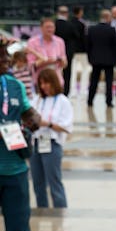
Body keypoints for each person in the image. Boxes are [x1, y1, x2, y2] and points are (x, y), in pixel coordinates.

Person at [0, 41, 39, 231]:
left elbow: (28, 111)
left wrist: (34, 119)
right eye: (1, 58)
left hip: (15, 171)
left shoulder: (14, 85)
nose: (6, 61)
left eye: (7, 57)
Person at [30, 66, 73, 208]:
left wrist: (47, 124)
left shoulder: (62, 101)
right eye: (41, 83)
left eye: (46, 83)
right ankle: (42, 210)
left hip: (52, 143)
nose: (44, 87)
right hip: (36, 142)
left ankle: (60, 212)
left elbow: (66, 127)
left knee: (54, 182)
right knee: (37, 183)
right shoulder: (37, 100)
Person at [85, 9, 116, 114]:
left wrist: (90, 58)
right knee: (109, 82)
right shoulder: (112, 30)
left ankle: (90, 100)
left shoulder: (92, 29)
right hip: (109, 61)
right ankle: (108, 101)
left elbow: (88, 45)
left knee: (94, 81)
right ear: (107, 18)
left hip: (95, 60)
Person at [26, 17, 67, 93]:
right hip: (41, 82)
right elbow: (30, 66)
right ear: (41, 28)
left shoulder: (60, 41)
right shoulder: (32, 42)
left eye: (52, 27)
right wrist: (46, 62)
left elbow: (64, 63)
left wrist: (61, 61)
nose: (50, 29)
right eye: (47, 27)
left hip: (57, 80)